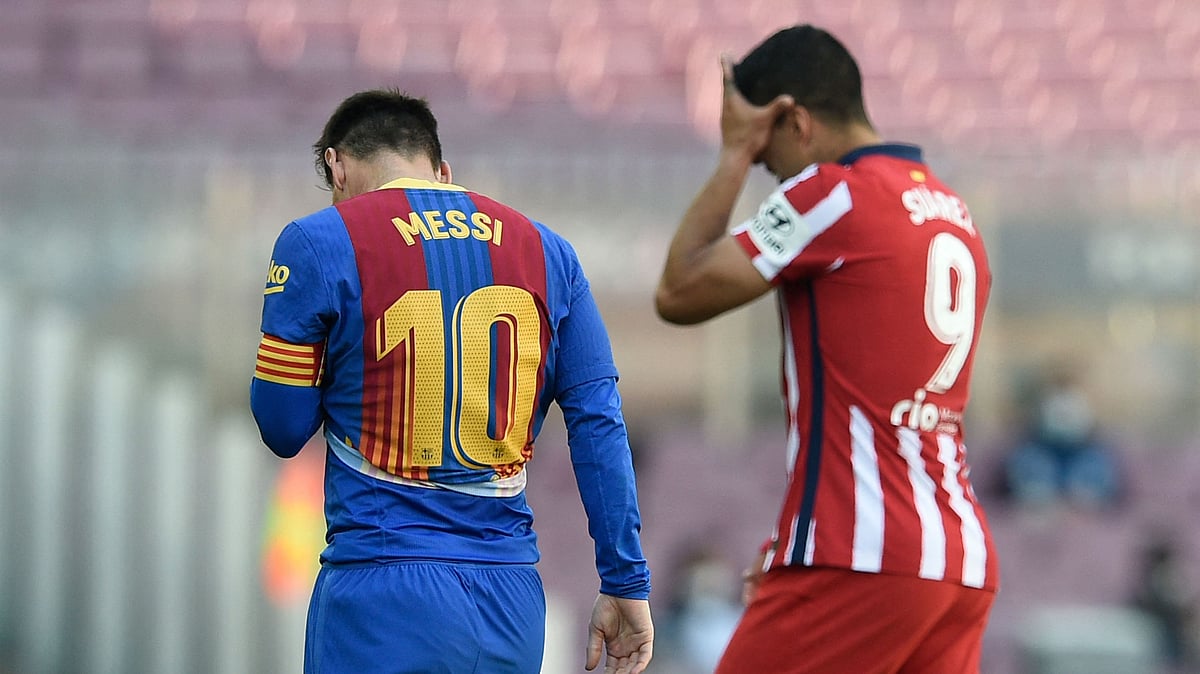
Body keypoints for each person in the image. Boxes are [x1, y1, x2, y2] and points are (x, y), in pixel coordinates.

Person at [250, 89, 653, 674]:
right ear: (441, 170)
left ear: (336, 166)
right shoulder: (550, 252)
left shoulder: (318, 241)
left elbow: (282, 427)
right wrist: (625, 579)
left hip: (382, 587)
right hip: (510, 598)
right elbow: (598, 424)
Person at [655, 26, 998, 674]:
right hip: (958, 559)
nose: (774, 175)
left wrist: (732, 154)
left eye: (768, 156)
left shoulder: (832, 195)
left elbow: (679, 290)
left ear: (793, 120)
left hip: (860, 554)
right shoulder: (955, 211)